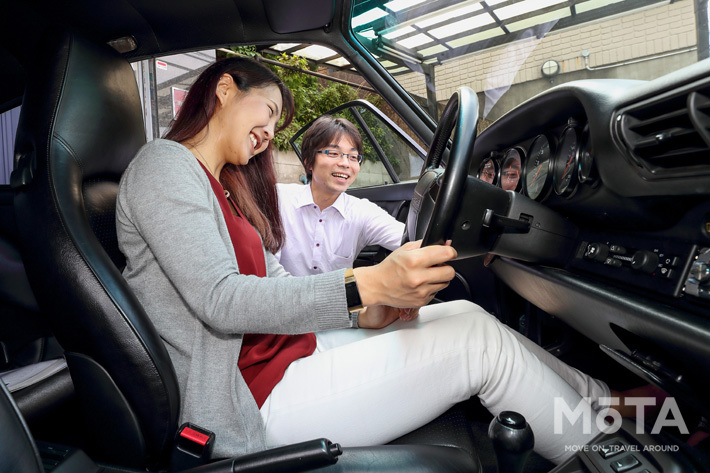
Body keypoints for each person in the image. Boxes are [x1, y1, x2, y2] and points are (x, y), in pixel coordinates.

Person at [116, 56, 612, 464]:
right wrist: (367, 286)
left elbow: (277, 280)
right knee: (477, 344)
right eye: (266, 111)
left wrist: (364, 313)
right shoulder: (165, 164)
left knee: (466, 314)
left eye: (275, 124)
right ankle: (612, 455)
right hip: (245, 398)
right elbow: (221, 299)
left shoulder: (224, 190)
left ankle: (605, 402)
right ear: (224, 89)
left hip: (288, 353)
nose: (268, 132)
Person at [276, 116, 404, 276]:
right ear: (309, 161)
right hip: (283, 297)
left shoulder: (362, 211)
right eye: (333, 153)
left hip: (337, 301)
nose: (345, 163)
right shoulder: (279, 198)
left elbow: (409, 242)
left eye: (353, 157)